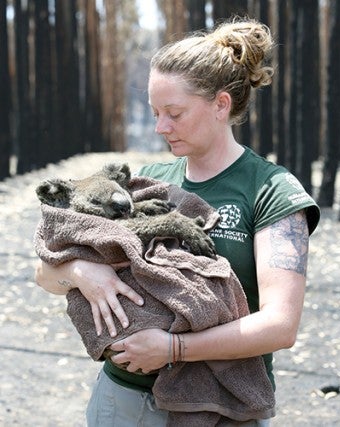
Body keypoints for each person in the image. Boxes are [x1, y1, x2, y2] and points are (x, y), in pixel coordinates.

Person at [35, 17, 320, 427]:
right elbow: (46, 272)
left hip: (225, 407)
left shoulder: (270, 189)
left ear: (221, 104)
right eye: (154, 112)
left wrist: (174, 348)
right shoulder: (144, 183)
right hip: (124, 401)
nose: (159, 127)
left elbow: (280, 326)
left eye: (174, 113)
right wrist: (83, 272)